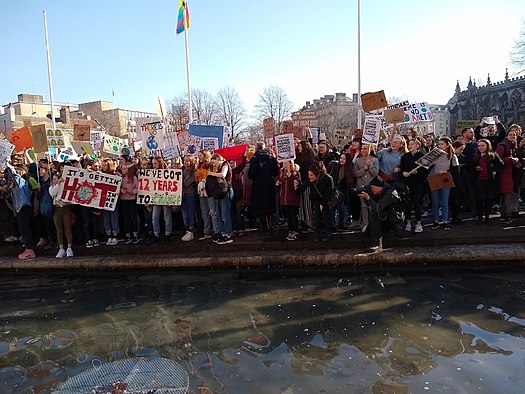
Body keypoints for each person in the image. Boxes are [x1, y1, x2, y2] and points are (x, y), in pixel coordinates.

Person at [1, 160, 36, 260]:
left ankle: (30, 250)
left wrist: (7, 162)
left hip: (23, 207)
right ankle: (28, 248)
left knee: (25, 229)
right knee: (23, 228)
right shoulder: (16, 184)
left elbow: (13, 174)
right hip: (19, 208)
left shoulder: (21, 181)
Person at [356, 176, 401, 251]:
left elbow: (378, 208)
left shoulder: (390, 192)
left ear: (380, 187)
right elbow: (365, 192)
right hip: (381, 214)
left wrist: (368, 198)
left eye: (373, 187)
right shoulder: (372, 189)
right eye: (371, 187)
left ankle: (377, 243)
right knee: (368, 233)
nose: (372, 189)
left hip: (391, 215)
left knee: (374, 214)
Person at [295, 162, 335, 242]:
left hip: (326, 201)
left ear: (318, 174)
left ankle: (328, 235)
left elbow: (329, 193)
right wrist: (297, 186)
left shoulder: (327, 179)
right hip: (317, 200)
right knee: (317, 218)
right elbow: (302, 188)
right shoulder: (311, 180)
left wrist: (323, 204)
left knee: (326, 218)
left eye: (311, 175)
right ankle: (318, 235)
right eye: (309, 175)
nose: (309, 177)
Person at [248, 142, 279, 233]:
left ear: (257, 149)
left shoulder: (254, 158)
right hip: (269, 184)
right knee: (269, 206)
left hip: (258, 185)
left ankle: (265, 227)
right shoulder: (272, 159)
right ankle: (270, 226)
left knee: (261, 207)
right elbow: (276, 172)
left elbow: (251, 174)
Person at [428, 136, 458, 230]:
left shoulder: (452, 155)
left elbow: (456, 170)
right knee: (435, 201)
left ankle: (445, 221)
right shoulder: (434, 154)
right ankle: (436, 220)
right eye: (439, 144)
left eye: (442, 144)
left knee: (445, 201)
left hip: (445, 178)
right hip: (434, 178)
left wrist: (446, 172)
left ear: (447, 145)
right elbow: (426, 165)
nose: (440, 146)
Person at [473, 139, 504, 224]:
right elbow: (471, 167)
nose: (481, 147)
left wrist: (495, 172)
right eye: (479, 146)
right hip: (479, 181)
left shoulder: (493, 155)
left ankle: (487, 218)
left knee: (488, 200)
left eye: (483, 145)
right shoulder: (476, 156)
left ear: (487, 146)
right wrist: (476, 169)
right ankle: (480, 218)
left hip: (490, 181)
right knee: (479, 200)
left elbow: (501, 165)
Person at [207, 154, 234, 244]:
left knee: (225, 214)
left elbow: (223, 175)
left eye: (214, 162)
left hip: (226, 191)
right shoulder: (219, 167)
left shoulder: (225, 165)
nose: (214, 165)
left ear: (218, 159)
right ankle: (223, 232)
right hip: (220, 192)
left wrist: (211, 174)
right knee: (219, 213)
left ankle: (228, 233)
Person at [400, 138, 425, 233]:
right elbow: (402, 168)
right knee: (407, 204)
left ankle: (419, 223)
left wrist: (417, 172)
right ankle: (408, 222)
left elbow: (425, 170)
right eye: (409, 144)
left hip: (418, 183)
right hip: (407, 182)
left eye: (412, 144)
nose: (410, 146)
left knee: (417, 203)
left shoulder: (422, 156)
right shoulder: (405, 156)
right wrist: (404, 173)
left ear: (417, 146)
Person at [496, 127, 520, 223]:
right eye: (510, 135)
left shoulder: (514, 146)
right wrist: (511, 159)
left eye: (514, 135)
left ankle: (510, 213)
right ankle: (507, 214)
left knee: (512, 193)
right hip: (505, 174)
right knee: (507, 194)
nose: (512, 136)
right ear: (507, 136)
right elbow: (498, 160)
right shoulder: (502, 146)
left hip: (513, 174)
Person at [354, 144, 379, 232]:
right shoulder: (358, 161)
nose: (363, 150)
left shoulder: (375, 160)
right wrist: (363, 170)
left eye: (365, 149)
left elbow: (376, 173)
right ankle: (365, 223)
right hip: (361, 185)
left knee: (371, 205)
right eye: (362, 149)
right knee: (363, 205)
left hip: (371, 186)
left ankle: (373, 223)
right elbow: (355, 174)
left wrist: (370, 166)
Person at [48, 172, 74, 258]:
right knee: (59, 230)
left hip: (66, 208)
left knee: (68, 228)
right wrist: (57, 184)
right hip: (57, 209)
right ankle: (61, 248)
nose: (54, 181)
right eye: (54, 179)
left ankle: (69, 248)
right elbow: (53, 193)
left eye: (56, 179)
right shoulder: (52, 187)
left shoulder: (65, 187)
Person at [278, 160, 301, 241]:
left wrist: (295, 182)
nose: (283, 165)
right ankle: (291, 230)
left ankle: (295, 231)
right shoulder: (282, 173)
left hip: (292, 198)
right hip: (285, 198)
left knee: (293, 215)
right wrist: (278, 183)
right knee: (288, 216)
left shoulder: (295, 173)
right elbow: (281, 183)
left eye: (285, 163)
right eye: (283, 163)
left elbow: (297, 184)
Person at [119, 163, 140, 244]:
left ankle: (135, 234)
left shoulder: (134, 178)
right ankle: (127, 234)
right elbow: (117, 187)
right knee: (126, 217)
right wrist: (121, 191)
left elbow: (137, 189)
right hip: (123, 199)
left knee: (133, 216)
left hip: (132, 199)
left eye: (125, 169)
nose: (123, 170)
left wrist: (130, 192)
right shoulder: (121, 178)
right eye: (122, 169)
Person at [102, 158, 120, 245]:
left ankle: (115, 235)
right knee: (106, 218)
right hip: (103, 200)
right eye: (102, 165)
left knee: (114, 217)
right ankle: (109, 235)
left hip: (113, 200)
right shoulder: (101, 174)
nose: (103, 167)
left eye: (105, 165)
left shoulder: (116, 175)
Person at [181, 155, 197, 242]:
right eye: (184, 161)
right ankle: (187, 228)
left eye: (187, 161)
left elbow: (187, 183)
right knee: (184, 213)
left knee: (190, 212)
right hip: (182, 195)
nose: (185, 162)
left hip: (189, 194)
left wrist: (181, 182)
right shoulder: (182, 170)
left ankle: (191, 229)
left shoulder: (193, 171)